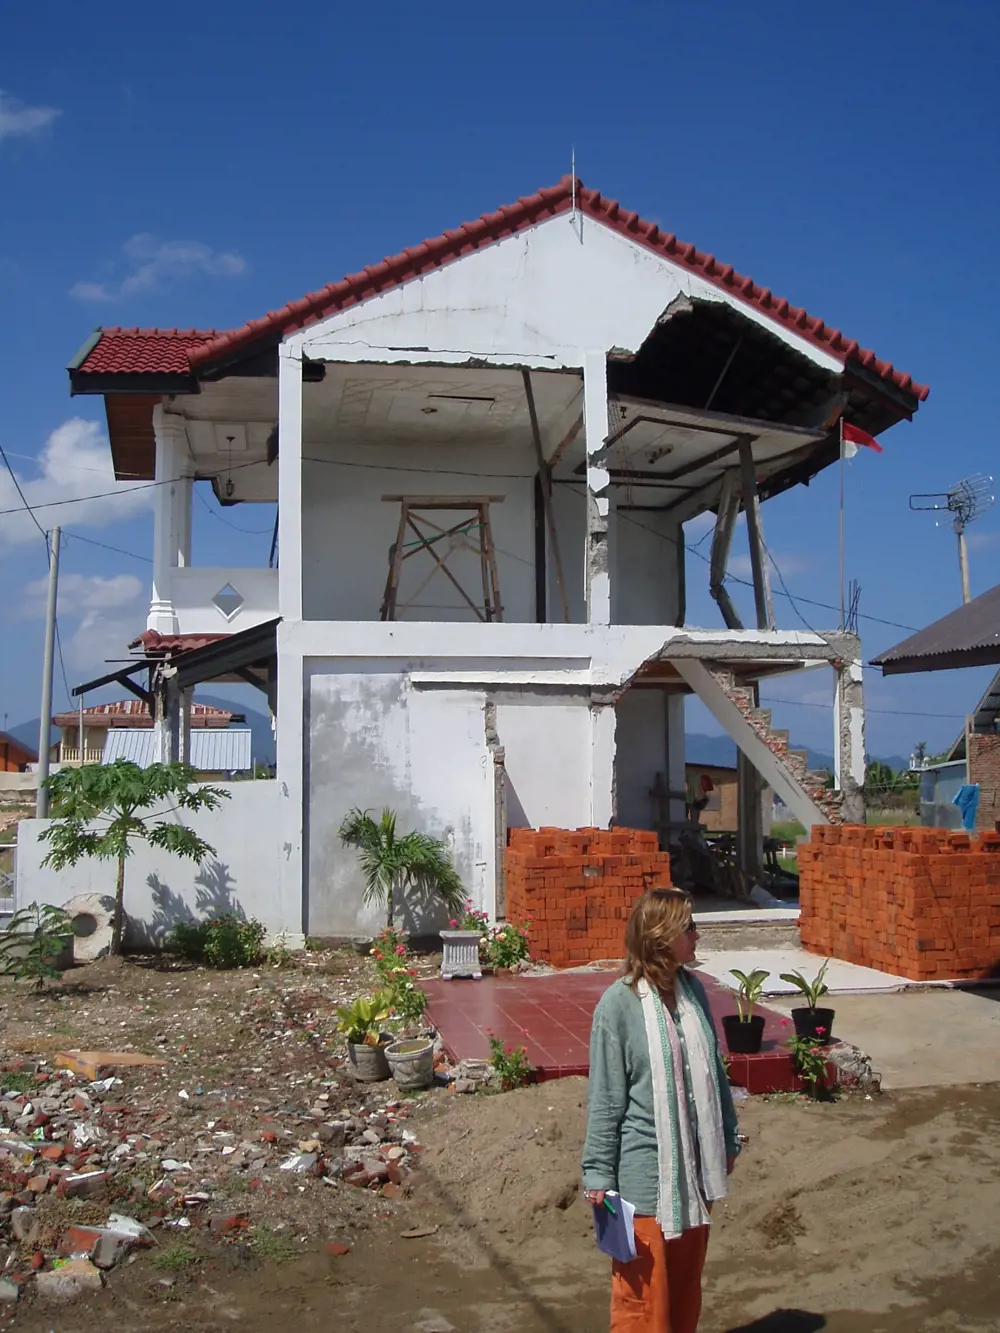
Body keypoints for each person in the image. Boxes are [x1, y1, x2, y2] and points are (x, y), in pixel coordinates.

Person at [581, 887, 741, 1332]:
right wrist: (597, 1173)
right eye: (688, 927)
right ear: (662, 936)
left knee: (684, 1291)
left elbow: (714, 1073)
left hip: (694, 1173)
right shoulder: (618, 1006)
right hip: (644, 1181)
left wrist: (727, 1136)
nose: (697, 935)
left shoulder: (693, 993)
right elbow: (607, 1099)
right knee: (642, 1298)